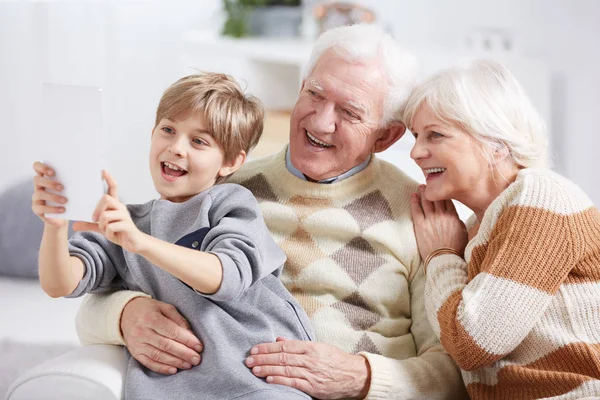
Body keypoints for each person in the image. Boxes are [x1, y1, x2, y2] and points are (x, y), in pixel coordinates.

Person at [75, 25, 467, 399]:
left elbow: (455, 371)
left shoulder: (421, 214)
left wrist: (359, 377)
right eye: (314, 94)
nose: (321, 120)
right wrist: (125, 315)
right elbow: (107, 278)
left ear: (386, 135)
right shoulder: (223, 188)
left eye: (349, 112)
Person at [31, 72, 314, 400]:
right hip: (174, 390)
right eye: (168, 130)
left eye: (199, 141)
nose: (176, 148)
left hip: (261, 381)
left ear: (231, 161)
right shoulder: (127, 224)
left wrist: (140, 242)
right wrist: (53, 225)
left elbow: (228, 276)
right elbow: (59, 284)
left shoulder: (229, 203)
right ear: (152, 134)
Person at [406, 59, 600, 399]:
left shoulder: (541, 195)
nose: (415, 152)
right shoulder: (474, 228)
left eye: (435, 135)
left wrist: (440, 256)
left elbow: (472, 344)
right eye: (416, 136)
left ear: (495, 142)